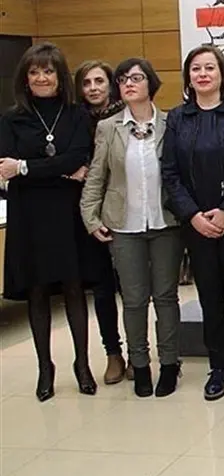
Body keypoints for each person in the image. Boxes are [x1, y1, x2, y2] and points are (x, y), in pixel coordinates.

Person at [162, 45, 224, 402]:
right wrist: (193, 215)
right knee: (209, 297)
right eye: (196, 69)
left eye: (209, 67)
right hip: (197, 224)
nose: (203, 74)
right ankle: (218, 368)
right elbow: (170, 173)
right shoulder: (177, 118)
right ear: (188, 77)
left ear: (222, 74)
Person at [80, 58, 184, 398]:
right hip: (123, 226)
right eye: (122, 79)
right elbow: (97, 176)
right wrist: (91, 218)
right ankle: (139, 365)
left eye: (136, 78)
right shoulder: (108, 127)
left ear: (150, 83)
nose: (128, 83)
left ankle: (169, 363)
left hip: (166, 222)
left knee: (166, 297)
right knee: (135, 299)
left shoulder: (171, 123)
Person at [0, 43, 96, 401]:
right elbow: (6, 168)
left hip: (67, 213)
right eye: (34, 72)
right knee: (37, 291)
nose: (41, 78)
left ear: (60, 76)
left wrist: (26, 167)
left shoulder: (76, 115)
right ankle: (45, 368)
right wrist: (57, 170)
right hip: (29, 215)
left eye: (48, 71)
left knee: (74, 288)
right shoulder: (11, 119)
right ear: (25, 78)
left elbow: (77, 157)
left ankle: (82, 365)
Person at [74, 60, 128, 385]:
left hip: (126, 211)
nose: (93, 88)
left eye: (99, 81)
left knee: (133, 290)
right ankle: (113, 353)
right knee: (103, 289)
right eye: (87, 83)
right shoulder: (74, 120)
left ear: (110, 84)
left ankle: (139, 352)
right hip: (91, 214)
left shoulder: (127, 115)